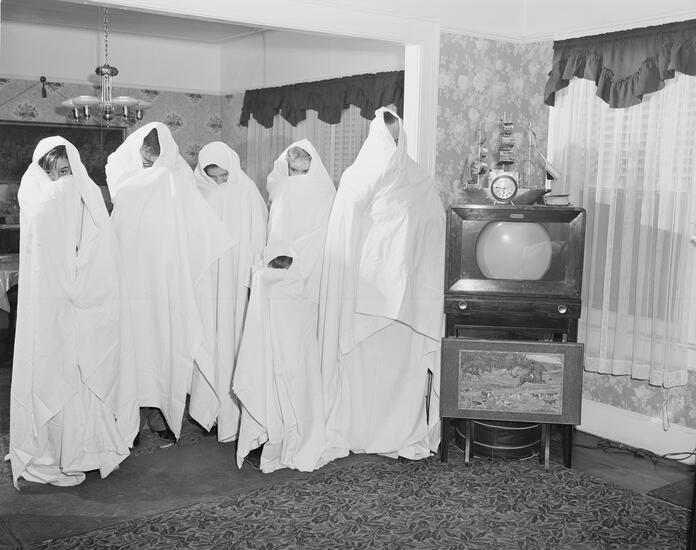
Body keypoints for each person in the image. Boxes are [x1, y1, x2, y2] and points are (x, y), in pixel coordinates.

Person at [319, 108, 445, 461]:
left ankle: (400, 433)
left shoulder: (419, 180)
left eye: (397, 138)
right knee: (361, 371)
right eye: (387, 138)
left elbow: (433, 232)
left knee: (401, 373)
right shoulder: (357, 177)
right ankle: (356, 431)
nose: (393, 144)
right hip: (365, 298)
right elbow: (343, 236)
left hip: (408, 304)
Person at [7, 137, 129, 488]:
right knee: (49, 370)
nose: (59, 180)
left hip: (81, 302)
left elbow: (100, 252)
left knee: (79, 375)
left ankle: (83, 451)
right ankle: (47, 449)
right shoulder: (34, 196)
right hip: (47, 304)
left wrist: (81, 288)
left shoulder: (85, 197)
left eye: (65, 171)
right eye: (51, 172)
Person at [106, 122, 233, 445]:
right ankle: (129, 419)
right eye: (145, 162)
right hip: (130, 276)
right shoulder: (122, 170)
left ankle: (160, 413)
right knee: (131, 348)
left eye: (155, 163)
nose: (149, 169)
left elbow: (193, 225)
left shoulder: (178, 177)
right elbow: (121, 212)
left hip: (165, 276)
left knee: (163, 344)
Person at [233, 139, 335, 473]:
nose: (296, 176)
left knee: (294, 362)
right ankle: (270, 431)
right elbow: (276, 237)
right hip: (281, 287)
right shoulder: (286, 190)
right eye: (293, 169)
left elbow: (320, 241)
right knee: (273, 358)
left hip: (300, 291)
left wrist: (285, 267)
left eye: (302, 170)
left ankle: (291, 431)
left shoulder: (316, 193)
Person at [189, 142, 267, 442]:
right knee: (208, 339)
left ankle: (234, 416)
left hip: (237, 282)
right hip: (207, 282)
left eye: (224, 176)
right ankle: (210, 410)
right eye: (213, 177)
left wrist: (253, 278)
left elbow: (259, 235)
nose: (220, 182)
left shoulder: (246, 191)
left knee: (234, 345)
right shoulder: (197, 192)